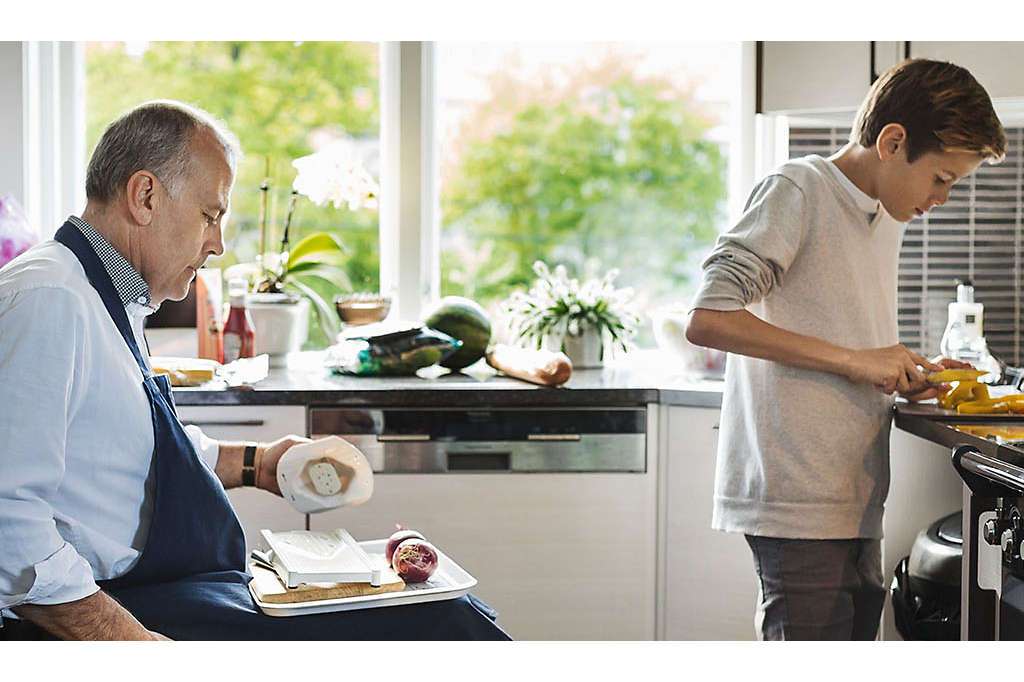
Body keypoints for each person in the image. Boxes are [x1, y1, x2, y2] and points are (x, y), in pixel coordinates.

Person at [0, 100, 508, 641]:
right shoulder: (49, 299)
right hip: (112, 609)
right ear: (145, 196)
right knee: (440, 625)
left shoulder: (107, 295)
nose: (217, 244)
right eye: (210, 215)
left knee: (445, 609)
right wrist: (135, 646)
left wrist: (259, 463)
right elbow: (9, 521)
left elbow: (120, 452)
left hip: (157, 588)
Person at [685, 59, 1006, 641]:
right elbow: (709, 318)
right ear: (893, 141)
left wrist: (907, 368)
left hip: (854, 495)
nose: (943, 196)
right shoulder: (800, 188)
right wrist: (860, 361)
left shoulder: (885, 215)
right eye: (942, 177)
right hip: (796, 499)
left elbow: (844, 339)